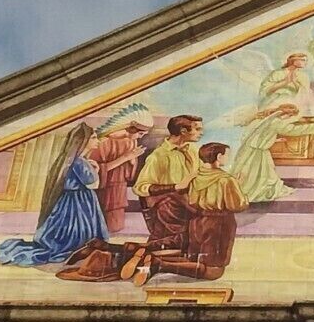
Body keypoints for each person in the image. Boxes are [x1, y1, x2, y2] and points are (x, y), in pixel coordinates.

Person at [0, 121, 108, 267]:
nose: (97, 141)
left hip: (68, 201)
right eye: (94, 138)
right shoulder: (80, 162)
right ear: (83, 141)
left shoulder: (70, 160)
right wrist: (96, 169)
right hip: (79, 202)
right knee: (78, 232)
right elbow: (93, 184)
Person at [150, 142, 246, 281]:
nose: (227, 158)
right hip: (219, 223)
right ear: (219, 157)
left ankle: (154, 259)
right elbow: (237, 205)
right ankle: (159, 264)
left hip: (197, 222)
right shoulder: (227, 180)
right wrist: (237, 187)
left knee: (196, 259)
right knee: (214, 271)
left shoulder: (194, 177)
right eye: (226, 155)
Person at [135, 116, 204, 258]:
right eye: (197, 129)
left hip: (189, 204)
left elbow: (203, 174)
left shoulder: (193, 150)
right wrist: (175, 187)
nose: (201, 132)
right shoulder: (158, 156)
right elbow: (141, 187)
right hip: (168, 210)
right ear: (183, 131)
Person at [81, 117, 151, 237]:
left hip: (119, 186)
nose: (140, 137)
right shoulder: (103, 142)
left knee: (116, 226)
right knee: (101, 226)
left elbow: (129, 172)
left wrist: (132, 162)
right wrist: (126, 157)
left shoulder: (131, 141)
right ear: (130, 129)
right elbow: (93, 171)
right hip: (104, 187)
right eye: (140, 133)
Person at [228, 104, 299, 207]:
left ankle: (243, 191)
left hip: (250, 149)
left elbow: (261, 135)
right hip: (256, 152)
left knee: (258, 172)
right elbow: (290, 130)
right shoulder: (275, 121)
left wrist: (275, 140)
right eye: (290, 116)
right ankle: (249, 192)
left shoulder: (265, 119)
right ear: (287, 114)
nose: (289, 118)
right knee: (254, 173)